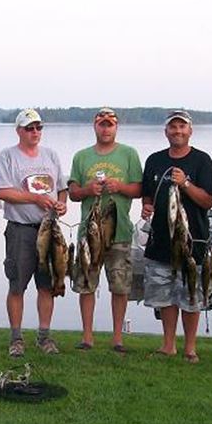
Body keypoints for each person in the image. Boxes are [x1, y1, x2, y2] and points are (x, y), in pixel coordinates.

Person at [140, 110, 212, 363]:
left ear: (190, 131)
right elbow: (148, 194)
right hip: (160, 241)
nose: (178, 131)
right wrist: (147, 206)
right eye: (173, 127)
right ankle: (168, 345)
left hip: (192, 242)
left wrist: (184, 184)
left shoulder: (202, 161)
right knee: (166, 297)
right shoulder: (154, 160)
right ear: (166, 132)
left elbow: (207, 201)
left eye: (182, 127)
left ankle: (190, 348)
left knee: (191, 295)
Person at [0, 108, 67, 357]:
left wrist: (62, 203)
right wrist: (34, 198)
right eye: (29, 128)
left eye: (38, 127)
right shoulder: (8, 157)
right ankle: (16, 338)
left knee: (47, 285)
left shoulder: (52, 156)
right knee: (17, 286)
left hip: (50, 230)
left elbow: (62, 188)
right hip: (20, 232)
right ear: (19, 131)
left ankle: (44, 337)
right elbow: (1, 192)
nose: (35, 132)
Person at [67, 107, 142, 353]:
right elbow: (73, 193)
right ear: (95, 126)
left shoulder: (129, 154)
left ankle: (117, 338)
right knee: (87, 284)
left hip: (119, 233)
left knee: (119, 287)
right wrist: (88, 190)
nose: (106, 128)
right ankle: (87, 337)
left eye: (110, 124)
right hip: (89, 235)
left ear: (116, 127)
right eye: (102, 124)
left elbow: (138, 190)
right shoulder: (81, 156)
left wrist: (119, 186)